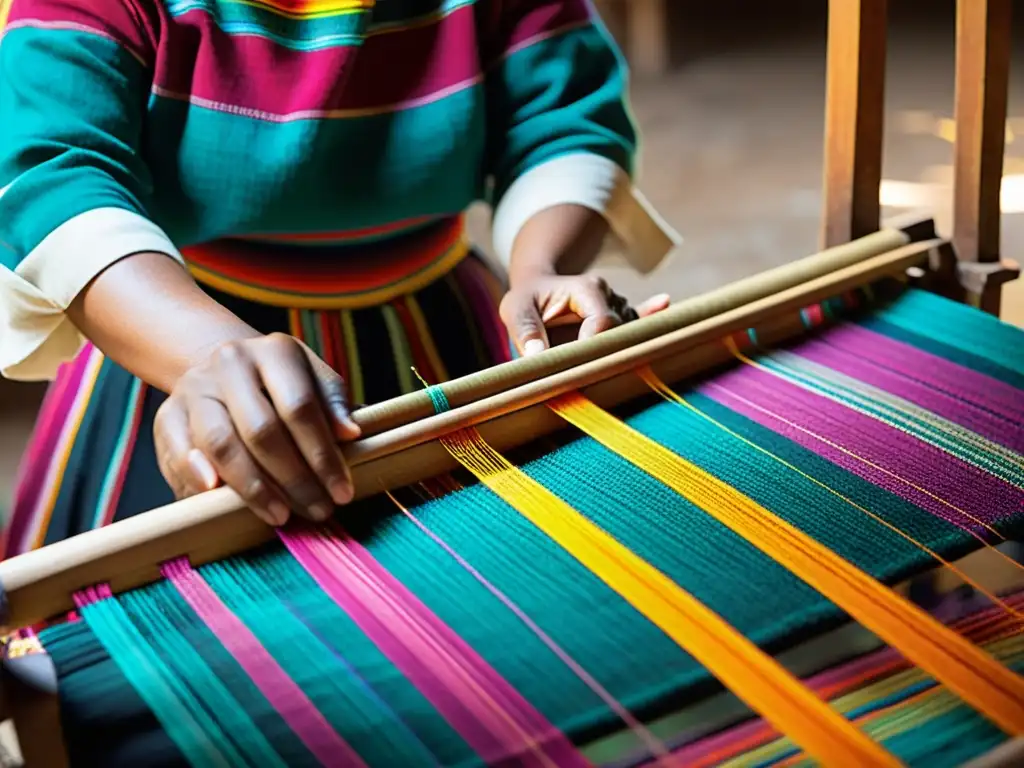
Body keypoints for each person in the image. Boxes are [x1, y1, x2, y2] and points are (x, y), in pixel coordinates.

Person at [0, 0, 677, 558]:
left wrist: (542, 270)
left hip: (443, 340)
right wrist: (205, 354)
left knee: (487, 609)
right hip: (170, 337)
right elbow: (56, 172)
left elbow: (562, 125)